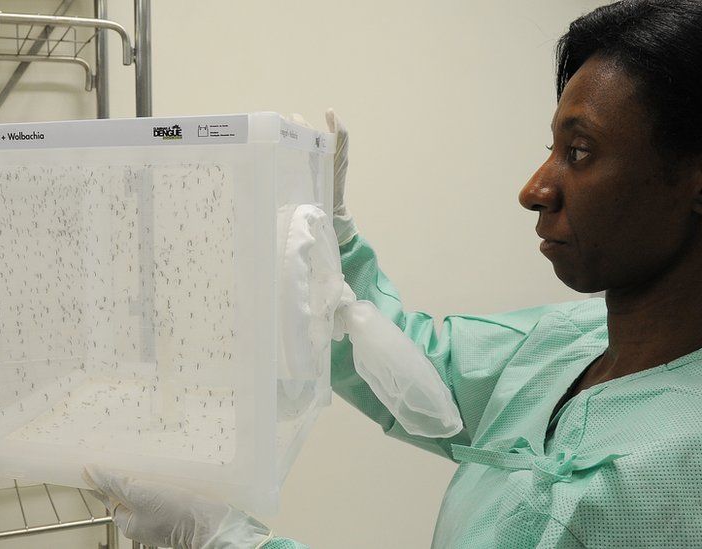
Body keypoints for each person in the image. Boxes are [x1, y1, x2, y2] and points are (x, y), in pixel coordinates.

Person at [85, 0, 702, 546]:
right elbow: (416, 369)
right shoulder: (575, 341)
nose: (535, 189)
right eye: (550, 149)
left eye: (580, 152)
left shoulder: (675, 469)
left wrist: (221, 538)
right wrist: (333, 259)